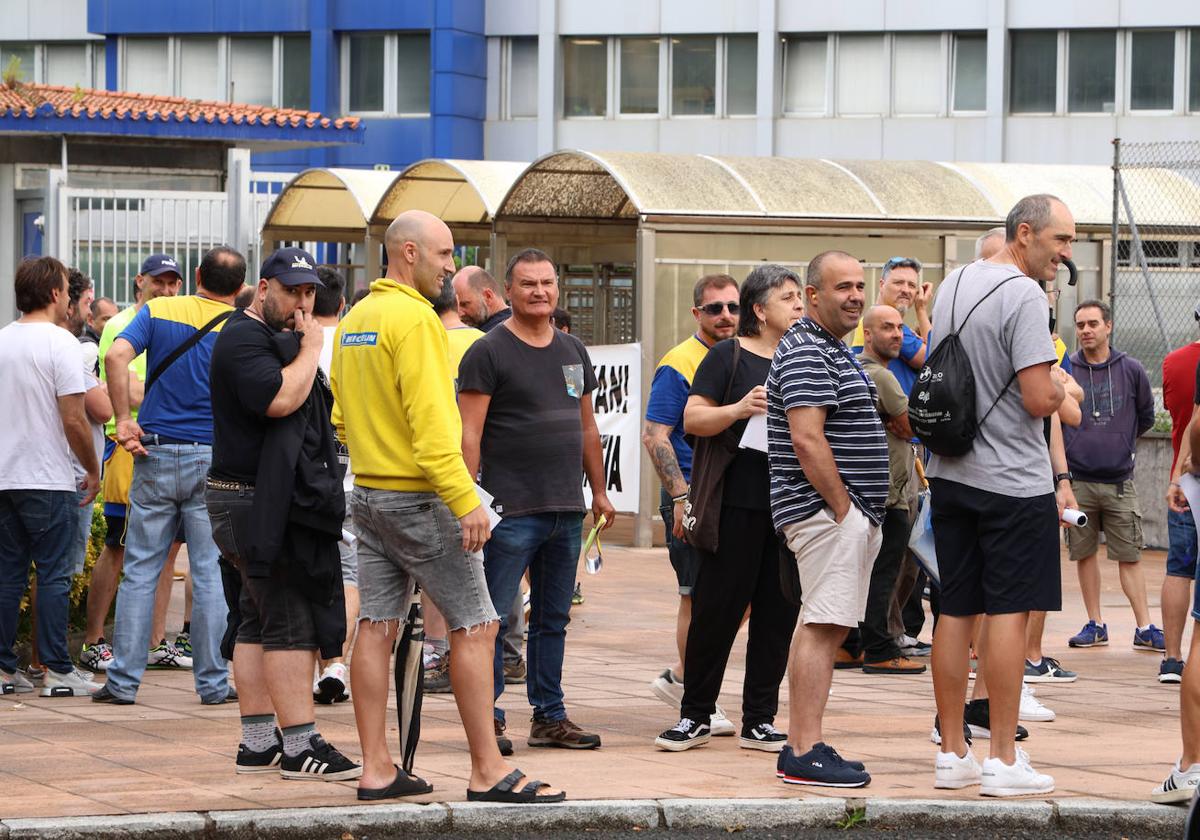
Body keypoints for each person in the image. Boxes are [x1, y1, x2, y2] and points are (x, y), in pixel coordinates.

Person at [332, 210, 564, 803]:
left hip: (369, 494)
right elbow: (436, 431)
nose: (451, 266)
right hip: (419, 495)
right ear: (408, 252)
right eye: (444, 254)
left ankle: (377, 768)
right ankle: (488, 771)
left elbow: (339, 417)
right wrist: (466, 503)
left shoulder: (357, 318)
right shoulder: (415, 320)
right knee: (479, 623)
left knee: (376, 627)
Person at [926, 194, 1069, 797]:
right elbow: (1038, 399)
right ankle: (1004, 760)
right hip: (1012, 479)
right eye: (1061, 241)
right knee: (1009, 611)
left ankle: (954, 752)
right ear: (1026, 233)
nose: (1066, 255)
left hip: (951, 473)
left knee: (955, 610)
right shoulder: (1024, 296)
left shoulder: (956, 281)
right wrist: (1063, 386)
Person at [207, 247, 361, 781]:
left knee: (257, 617)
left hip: (254, 499)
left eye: (309, 293)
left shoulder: (270, 338)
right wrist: (313, 345)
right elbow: (280, 400)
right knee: (289, 619)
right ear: (263, 288)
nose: (301, 302)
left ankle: (256, 741)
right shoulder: (243, 337)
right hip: (255, 503)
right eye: (291, 290)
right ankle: (300, 744)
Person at [458, 248, 615, 753]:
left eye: (547, 283)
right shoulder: (487, 351)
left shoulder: (573, 350)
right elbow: (469, 433)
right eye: (528, 284)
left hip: (566, 510)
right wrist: (468, 501)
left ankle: (549, 716)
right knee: (496, 619)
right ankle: (489, 718)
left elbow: (588, 426)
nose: (540, 292)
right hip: (508, 512)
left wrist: (599, 490)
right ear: (508, 292)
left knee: (553, 619)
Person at [655, 265, 803, 753]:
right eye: (788, 297)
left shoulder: (803, 357)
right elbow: (693, 420)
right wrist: (739, 409)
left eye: (800, 296)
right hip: (735, 504)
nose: (799, 305)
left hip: (789, 507)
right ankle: (695, 714)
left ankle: (760, 719)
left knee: (777, 616)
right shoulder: (729, 355)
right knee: (716, 611)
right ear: (760, 310)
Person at [94, 247, 245, 705]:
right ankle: (214, 684)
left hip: (154, 452)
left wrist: (123, 420)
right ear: (239, 288)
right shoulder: (239, 327)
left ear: (196, 275)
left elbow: (118, 356)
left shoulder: (158, 310)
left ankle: (121, 682)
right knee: (209, 572)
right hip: (212, 458)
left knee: (140, 568)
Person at [770, 250, 887, 788]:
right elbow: (806, 437)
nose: (856, 296)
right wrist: (843, 508)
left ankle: (806, 741)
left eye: (861, 286)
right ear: (812, 296)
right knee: (821, 625)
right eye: (843, 287)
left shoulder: (832, 349)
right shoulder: (806, 351)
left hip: (840, 515)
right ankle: (802, 748)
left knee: (826, 622)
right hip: (825, 515)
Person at [641, 274, 740, 737]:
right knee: (695, 596)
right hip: (692, 493)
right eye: (715, 308)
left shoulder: (741, 356)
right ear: (696, 313)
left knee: (731, 595)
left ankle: (685, 676)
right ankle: (693, 691)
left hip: (732, 493)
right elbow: (656, 434)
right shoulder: (679, 363)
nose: (725, 316)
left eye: (733, 307)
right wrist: (680, 498)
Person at [0, 257, 102, 697]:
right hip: (49, 476)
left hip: (6, 475)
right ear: (57, 293)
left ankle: (4, 670)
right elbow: (75, 420)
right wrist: (93, 469)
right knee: (55, 574)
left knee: (8, 575)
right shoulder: (61, 344)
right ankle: (59, 670)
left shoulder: (3, 340)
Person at [83, 260, 190, 673]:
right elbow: (122, 385)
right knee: (119, 546)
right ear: (139, 282)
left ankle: (155, 641)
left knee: (168, 552)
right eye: (157, 281)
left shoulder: (177, 321)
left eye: (172, 282)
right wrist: (169, 394)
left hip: (167, 447)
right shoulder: (124, 323)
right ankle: (93, 639)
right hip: (129, 450)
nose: (165, 289)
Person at [1063, 300, 1160, 655]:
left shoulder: (1131, 369)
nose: (1086, 330)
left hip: (1120, 481)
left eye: (1092, 323)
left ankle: (1145, 627)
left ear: (1108, 326)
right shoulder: (1065, 367)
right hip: (1078, 482)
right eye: (1080, 324)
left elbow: (1145, 417)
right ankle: (1094, 623)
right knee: (1083, 554)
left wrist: (1120, 443)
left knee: (1130, 555)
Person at [450, 265, 527, 683]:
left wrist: (470, 489)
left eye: (466, 303)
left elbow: (471, 431)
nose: (462, 313)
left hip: (502, 489)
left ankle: (504, 666)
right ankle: (507, 666)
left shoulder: (491, 344)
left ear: (491, 295)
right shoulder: (489, 344)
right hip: (504, 489)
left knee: (497, 586)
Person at [854, 305, 926, 675]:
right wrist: (909, 423)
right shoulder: (880, 376)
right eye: (887, 328)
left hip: (867, 491)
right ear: (867, 334)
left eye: (900, 327)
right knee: (884, 573)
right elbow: (910, 424)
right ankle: (879, 649)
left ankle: (849, 646)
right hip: (891, 493)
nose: (897, 334)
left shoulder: (854, 370)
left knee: (862, 572)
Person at [423, 270, 485, 695]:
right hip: (483, 471)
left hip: (436, 470)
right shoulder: (483, 343)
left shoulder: (425, 340)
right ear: (459, 304)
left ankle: (434, 648)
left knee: (434, 568)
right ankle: (507, 649)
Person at [311, 265, 357, 704]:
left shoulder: (298, 344)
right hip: (352, 474)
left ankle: (311, 667)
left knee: (307, 573)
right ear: (342, 303)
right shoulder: (353, 340)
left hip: (305, 477)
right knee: (350, 574)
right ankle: (338, 662)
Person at [1155, 385, 1200, 803]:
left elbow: (1197, 424)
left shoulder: (1183, 361)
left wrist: (1186, 473)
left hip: (1196, 489)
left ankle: (1191, 763)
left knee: (1199, 641)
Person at [1163, 311, 1200, 684]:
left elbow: (1179, 416)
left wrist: (1177, 475)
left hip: (1186, 481)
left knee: (1178, 569)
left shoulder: (1174, 363)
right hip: (1192, 477)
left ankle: (1172, 658)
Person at [850, 256, 931, 396]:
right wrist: (921, 309)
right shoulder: (884, 325)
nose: (906, 290)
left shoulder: (878, 321)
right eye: (898, 283)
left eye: (912, 285)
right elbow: (936, 359)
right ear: (882, 285)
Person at [454, 265, 511, 332]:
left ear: (488, 296)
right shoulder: (515, 325)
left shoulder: (494, 334)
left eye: (464, 304)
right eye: (455, 305)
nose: (459, 313)